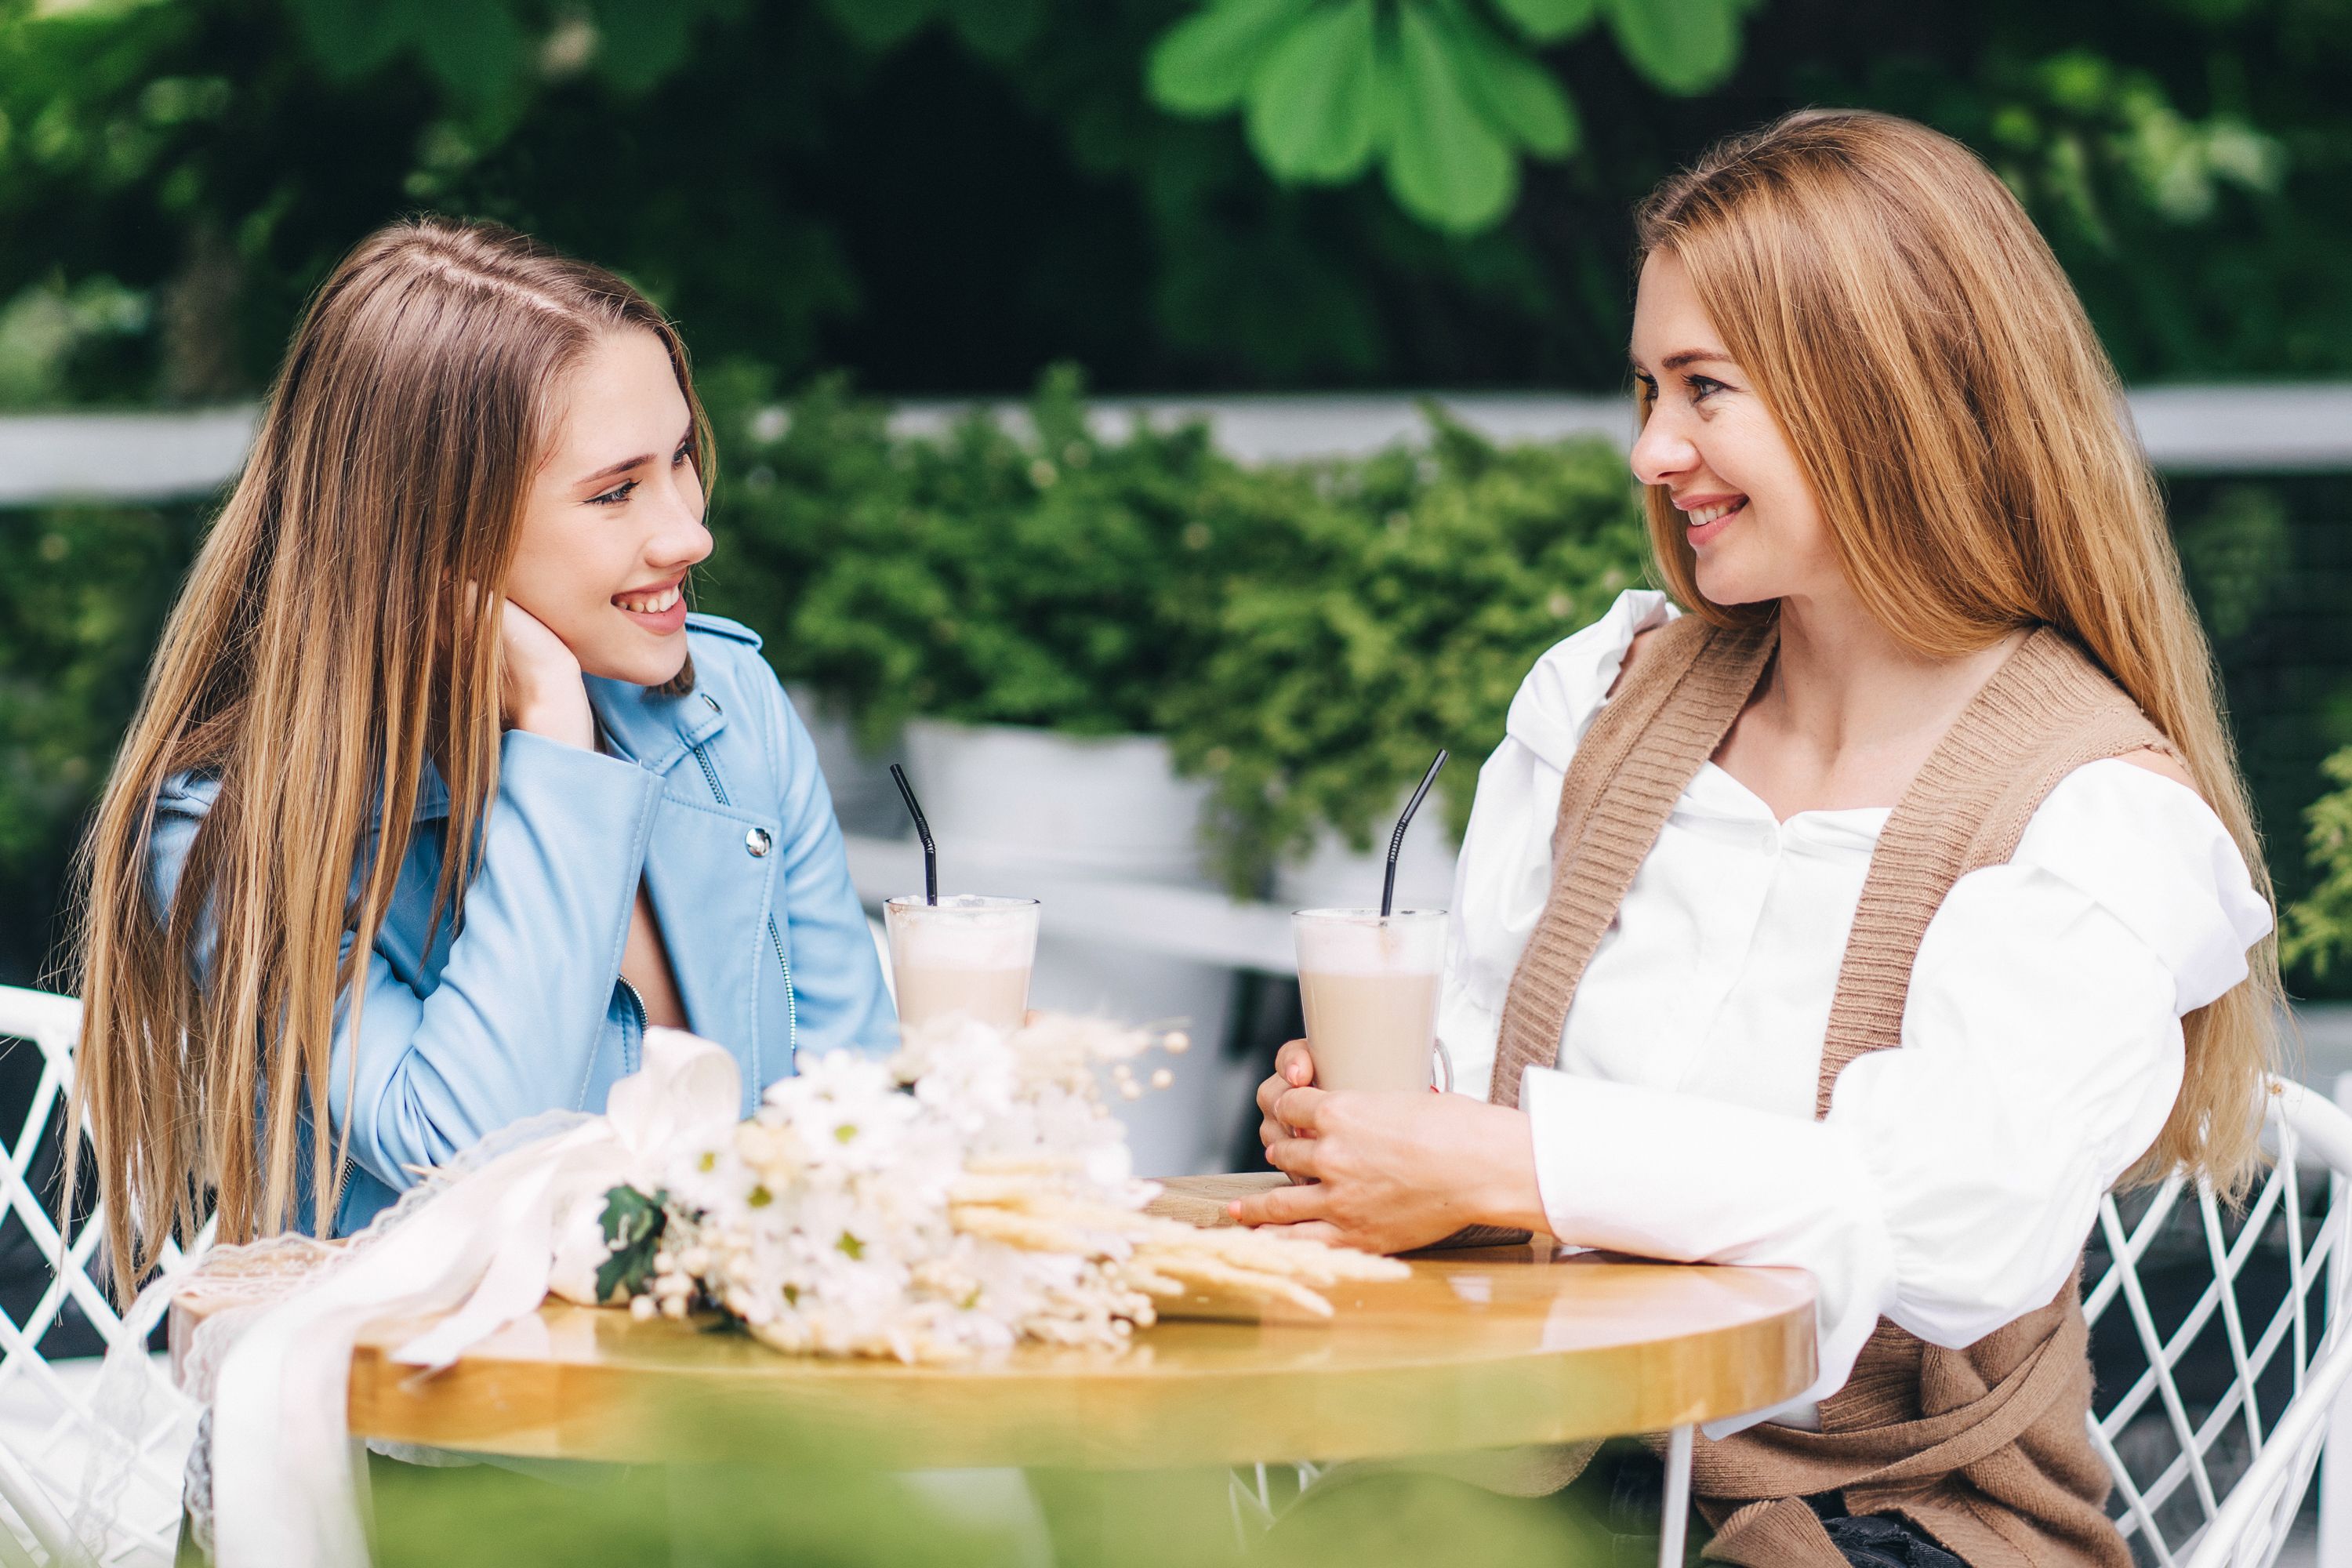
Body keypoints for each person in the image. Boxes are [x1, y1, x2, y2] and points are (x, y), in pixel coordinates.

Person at [1239, 111, 2278, 1566]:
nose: (1655, 450)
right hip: (1528, 1486)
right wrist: (1387, 1132)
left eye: (1705, 390)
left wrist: (1514, 1162)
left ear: (1886, 397)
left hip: (1890, 1526)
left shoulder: (2094, 816)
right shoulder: (1596, 699)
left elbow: (1945, 1233)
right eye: (1647, 389)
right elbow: (1473, 1080)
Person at [70, 217, 894, 1279]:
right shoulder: (239, 830)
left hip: (751, 1399)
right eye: (615, 491)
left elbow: (864, 1109)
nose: (691, 531)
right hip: (444, 1425)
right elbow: (473, 1153)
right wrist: (555, 734)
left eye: (682, 459)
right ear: (431, 529)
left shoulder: (726, 706)